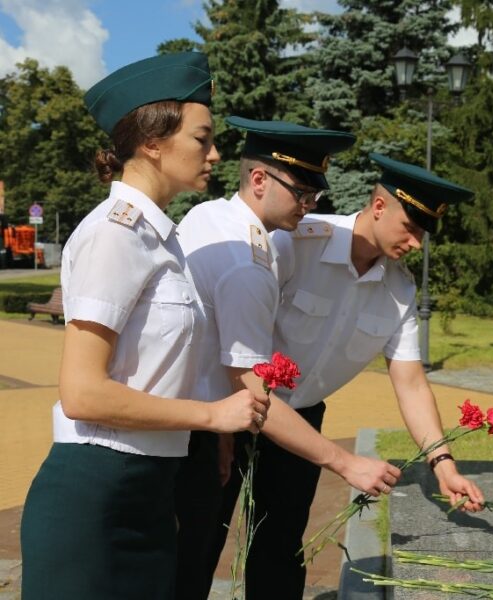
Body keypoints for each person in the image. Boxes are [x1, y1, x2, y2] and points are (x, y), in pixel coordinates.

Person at [19, 52, 265, 600]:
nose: (215, 153)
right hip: (96, 496)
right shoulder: (115, 234)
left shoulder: (162, 238)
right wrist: (213, 415)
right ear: (153, 142)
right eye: (202, 139)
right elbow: (82, 392)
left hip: (147, 491)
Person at [212, 152, 486, 600]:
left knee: (280, 549)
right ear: (379, 207)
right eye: (411, 228)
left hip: (299, 424)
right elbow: (233, 335)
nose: (417, 243)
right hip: (233, 408)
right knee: (202, 535)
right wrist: (223, 425)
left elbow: (411, 382)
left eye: (424, 234)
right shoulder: (296, 241)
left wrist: (444, 464)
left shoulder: (399, 291)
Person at [174, 117, 403, 600]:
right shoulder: (250, 264)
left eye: (314, 196)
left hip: (204, 417)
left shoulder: (208, 216)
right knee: (190, 554)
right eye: (301, 191)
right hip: (196, 426)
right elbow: (250, 386)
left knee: (196, 553)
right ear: (259, 180)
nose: (310, 205)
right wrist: (346, 463)